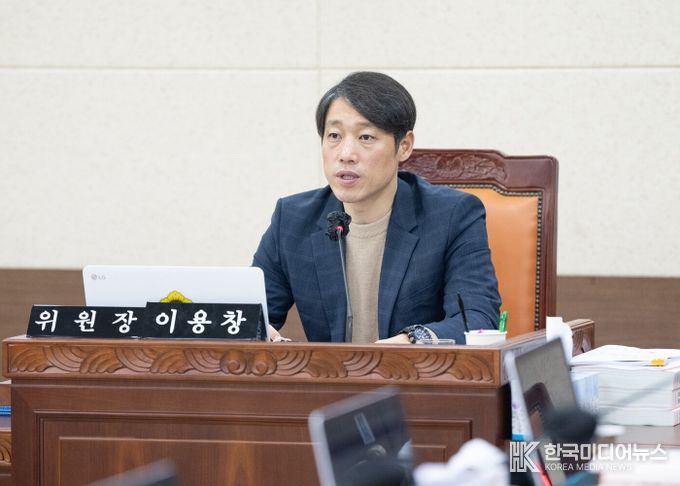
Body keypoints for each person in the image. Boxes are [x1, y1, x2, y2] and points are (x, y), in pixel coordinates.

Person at [253, 71, 500, 344]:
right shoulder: (292, 219)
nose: (346, 154)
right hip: (328, 373)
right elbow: (249, 314)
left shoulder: (452, 216)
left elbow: (476, 319)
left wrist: (413, 341)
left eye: (366, 137)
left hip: (414, 371)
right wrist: (258, 332)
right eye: (334, 135)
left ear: (404, 146)